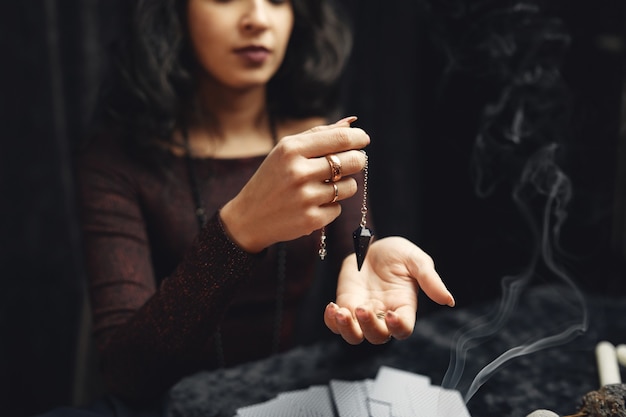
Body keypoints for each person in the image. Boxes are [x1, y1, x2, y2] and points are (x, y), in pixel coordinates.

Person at [76, 0, 456, 408]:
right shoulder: (117, 159)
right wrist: (240, 228)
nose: (257, 19)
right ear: (173, 12)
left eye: (277, 0)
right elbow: (127, 374)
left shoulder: (321, 143)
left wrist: (371, 283)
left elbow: (356, 284)